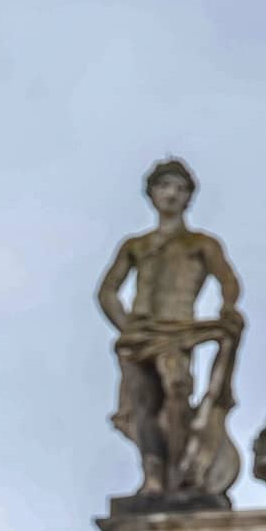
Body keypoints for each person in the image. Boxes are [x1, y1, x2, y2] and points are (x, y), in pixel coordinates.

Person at [99, 158, 245, 504]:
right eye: (164, 186)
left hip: (179, 331)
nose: (171, 194)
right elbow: (107, 292)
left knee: (177, 390)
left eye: (179, 188)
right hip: (139, 335)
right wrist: (126, 325)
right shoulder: (136, 245)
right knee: (143, 404)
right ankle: (153, 477)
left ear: (188, 197)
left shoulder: (200, 243)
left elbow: (228, 281)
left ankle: (179, 471)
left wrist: (227, 308)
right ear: (151, 193)